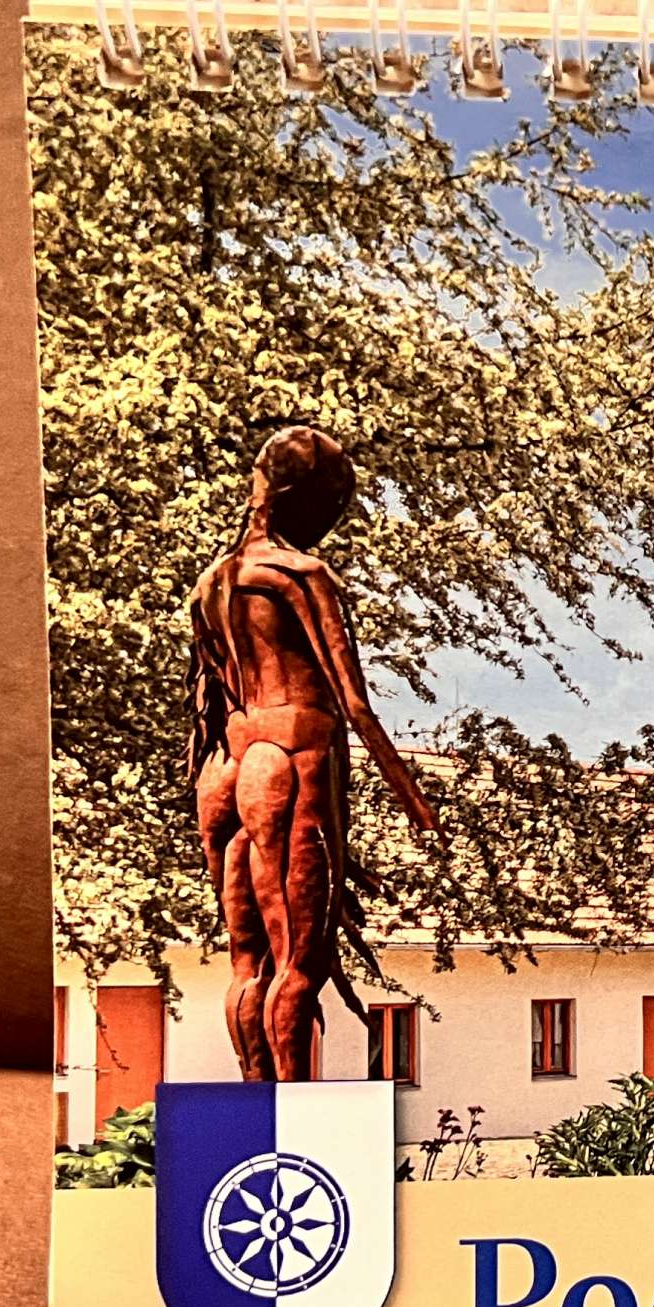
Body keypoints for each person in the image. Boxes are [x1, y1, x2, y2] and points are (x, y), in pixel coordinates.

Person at [187, 426, 439, 1081]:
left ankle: (253, 1109)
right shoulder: (298, 574)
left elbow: (210, 702)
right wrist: (414, 800)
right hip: (290, 759)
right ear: (309, 498)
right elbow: (354, 702)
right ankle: (296, 1115)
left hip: (227, 769)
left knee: (249, 962)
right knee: (300, 963)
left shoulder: (211, 585)